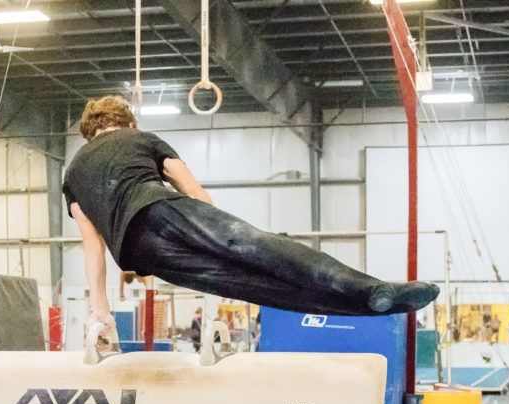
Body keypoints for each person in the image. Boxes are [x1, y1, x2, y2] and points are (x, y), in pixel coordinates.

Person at [62, 96, 439, 348]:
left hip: (139, 254)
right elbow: (195, 193)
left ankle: (365, 306)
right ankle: (372, 292)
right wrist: (219, 233)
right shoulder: (141, 138)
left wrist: (101, 311)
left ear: (88, 132)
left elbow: (92, 246)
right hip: (163, 207)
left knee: (254, 287)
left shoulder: (74, 172)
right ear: (128, 122)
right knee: (258, 247)